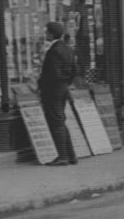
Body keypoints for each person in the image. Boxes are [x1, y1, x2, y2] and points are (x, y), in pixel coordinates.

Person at [38, 21, 77, 166]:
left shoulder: (53, 51)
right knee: (60, 121)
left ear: (51, 33)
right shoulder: (67, 49)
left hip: (52, 91)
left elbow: (53, 74)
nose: (45, 34)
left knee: (56, 123)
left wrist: (41, 84)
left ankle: (63, 157)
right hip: (63, 89)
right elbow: (74, 71)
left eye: (46, 32)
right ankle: (70, 155)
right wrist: (66, 83)